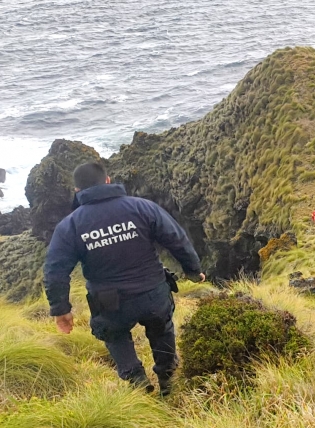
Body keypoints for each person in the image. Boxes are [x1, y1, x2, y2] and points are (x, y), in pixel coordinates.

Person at [43, 162, 204, 396]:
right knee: (162, 330)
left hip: (109, 301)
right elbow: (176, 238)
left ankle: (137, 380)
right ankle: (168, 380)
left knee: (114, 334)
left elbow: (55, 270)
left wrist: (61, 309)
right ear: (108, 181)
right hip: (153, 291)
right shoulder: (142, 207)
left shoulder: (70, 225)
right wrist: (192, 269)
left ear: (77, 191)